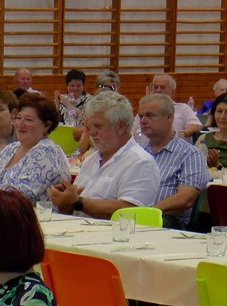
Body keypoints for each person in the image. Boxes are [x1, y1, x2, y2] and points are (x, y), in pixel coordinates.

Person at [48, 91, 161, 219]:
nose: (91, 132)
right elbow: (74, 208)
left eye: (98, 126)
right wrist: (65, 200)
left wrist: (78, 202)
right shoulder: (91, 160)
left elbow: (129, 212)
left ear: (120, 126)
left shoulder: (141, 162)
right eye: (90, 126)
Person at [137, 94, 210, 229]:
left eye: (149, 116)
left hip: (168, 223)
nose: (143, 121)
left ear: (169, 117)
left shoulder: (190, 154)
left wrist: (147, 213)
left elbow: (185, 199)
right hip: (132, 215)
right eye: (141, 116)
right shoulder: (137, 152)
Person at [145, 74, 202, 139]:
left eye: (162, 87)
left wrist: (184, 133)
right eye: (155, 87)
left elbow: (196, 125)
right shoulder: (145, 111)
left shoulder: (182, 108)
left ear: (172, 91)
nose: (158, 90)